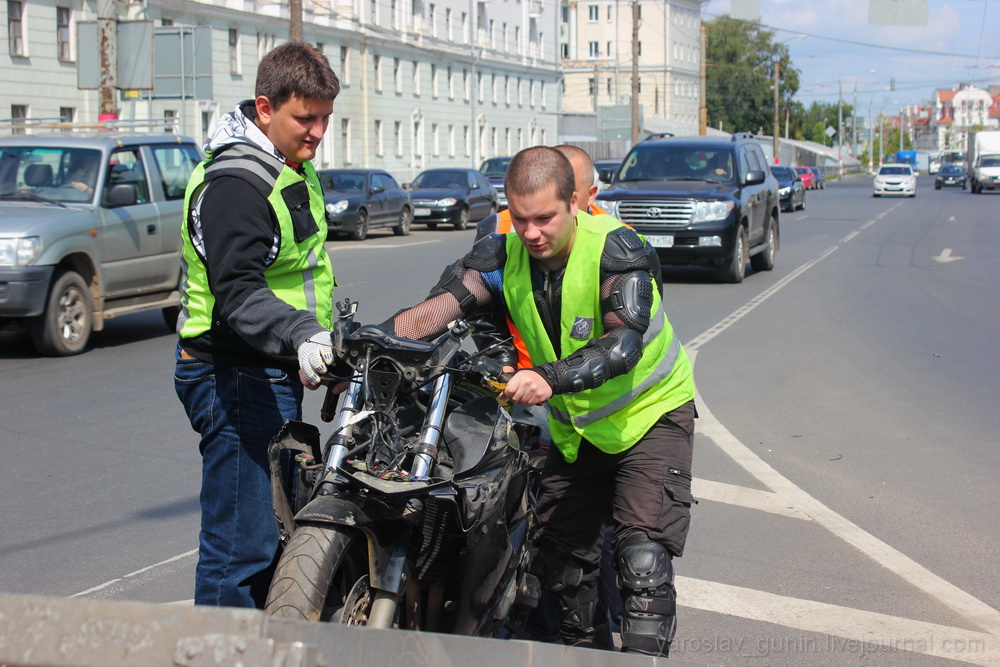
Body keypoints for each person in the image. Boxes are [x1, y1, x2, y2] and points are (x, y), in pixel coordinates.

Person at [384, 146, 696, 656]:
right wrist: (366, 347)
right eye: (520, 218)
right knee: (563, 570)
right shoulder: (500, 255)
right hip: (579, 430)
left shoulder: (618, 250)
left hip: (650, 417)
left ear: (575, 203)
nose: (531, 233)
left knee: (642, 561)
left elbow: (622, 346)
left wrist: (548, 377)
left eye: (545, 218)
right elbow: (432, 313)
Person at [173, 41, 343, 609]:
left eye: (324, 118)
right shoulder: (238, 184)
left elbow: (298, 275)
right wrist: (301, 336)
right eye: (305, 118)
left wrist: (328, 349)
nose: (317, 131)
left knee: (273, 542)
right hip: (236, 377)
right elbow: (238, 293)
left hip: (267, 370)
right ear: (265, 108)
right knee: (239, 553)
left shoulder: (286, 161)